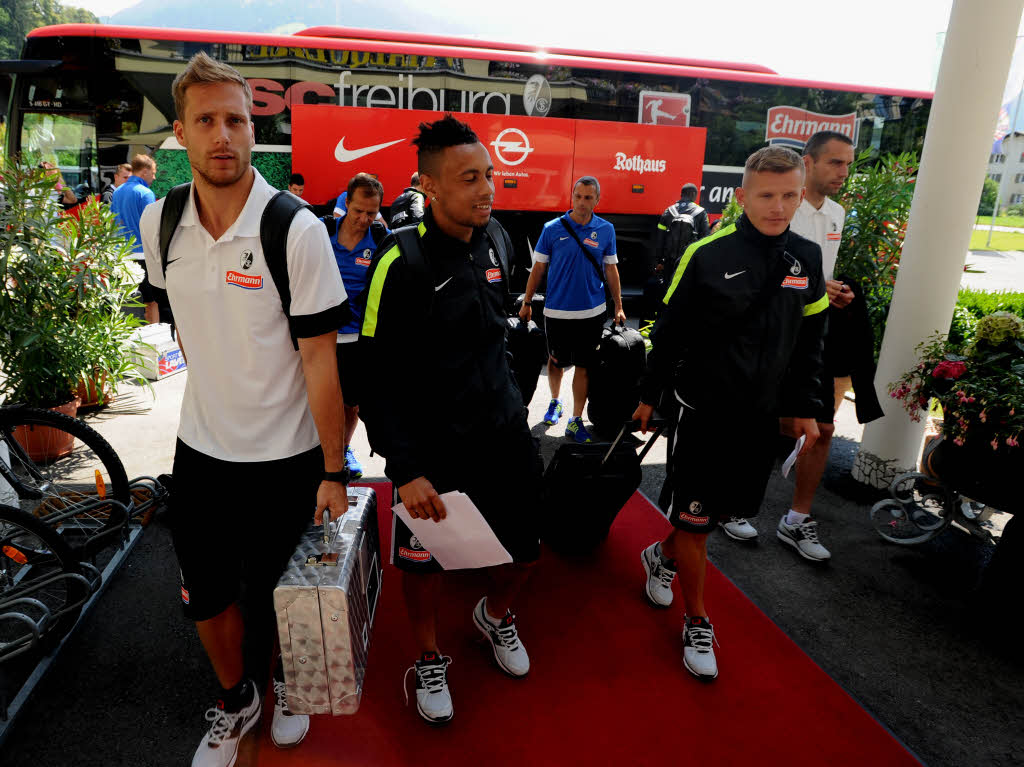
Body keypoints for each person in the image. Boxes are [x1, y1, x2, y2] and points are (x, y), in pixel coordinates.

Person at [139, 52, 349, 766]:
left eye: (237, 118)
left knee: (287, 595)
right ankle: (237, 699)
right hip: (201, 453)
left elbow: (322, 360)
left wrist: (334, 469)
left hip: (288, 459)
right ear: (182, 133)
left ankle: (289, 683)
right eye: (207, 120)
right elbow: (192, 333)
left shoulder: (296, 229)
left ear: (253, 128)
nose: (223, 134)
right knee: (206, 595)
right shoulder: (158, 223)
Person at [359, 115, 541, 726]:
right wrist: (404, 467)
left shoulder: (500, 241)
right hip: (431, 451)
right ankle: (430, 656)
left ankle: (493, 617)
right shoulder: (400, 260)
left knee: (524, 553)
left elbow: (502, 338)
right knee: (425, 563)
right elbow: (375, 374)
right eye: (470, 178)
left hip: (504, 436)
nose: (487, 188)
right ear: (428, 185)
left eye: (489, 174)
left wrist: (518, 407)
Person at [633, 145, 828, 681]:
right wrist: (648, 396)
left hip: (760, 419)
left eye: (790, 194)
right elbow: (668, 332)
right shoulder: (706, 255)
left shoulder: (806, 258)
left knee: (715, 516)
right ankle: (697, 619)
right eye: (766, 195)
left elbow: (811, 339)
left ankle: (661, 557)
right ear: (742, 196)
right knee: (696, 518)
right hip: (705, 413)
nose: (778, 206)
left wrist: (803, 406)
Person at [719, 130, 855, 558]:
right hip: (763, 338)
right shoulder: (772, 207)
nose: (843, 172)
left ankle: (796, 519)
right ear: (809, 163)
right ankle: (729, 506)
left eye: (848, 163)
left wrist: (833, 291)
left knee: (823, 427)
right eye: (836, 162)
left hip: (810, 332)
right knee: (747, 423)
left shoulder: (836, 214)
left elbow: (816, 275)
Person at [519, 176, 625, 442]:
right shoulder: (552, 229)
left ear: (597, 200)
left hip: (592, 312)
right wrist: (527, 302)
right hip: (557, 312)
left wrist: (619, 307)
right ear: (572, 196)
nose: (581, 202)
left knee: (584, 366)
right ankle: (555, 401)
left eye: (588, 197)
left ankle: (575, 420)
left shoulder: (606, 230)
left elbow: (611, 269)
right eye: (578, 196)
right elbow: (538, 268)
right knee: (555, 362)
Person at [326, 171, 389, 481]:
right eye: (358, 211)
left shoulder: (380, 240)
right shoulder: (321, 231)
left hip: (357, 339)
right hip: (319, 338)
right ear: (346, 203)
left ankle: (344, 448)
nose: (364, 218)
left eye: (372, 212)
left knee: (351, 404)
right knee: (317, 401)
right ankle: (318, 454)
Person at [644, 182, 710, 323]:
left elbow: (659, 239)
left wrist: (658, 262)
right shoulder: (700, 212)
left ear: (681, 194)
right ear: (694, 195)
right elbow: (705, 240)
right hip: (688, 263)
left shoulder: (669, 211)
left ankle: (662, 321)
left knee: (667, 292)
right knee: (685, 293)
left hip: (669, 262)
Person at [111, 154, 159, 323]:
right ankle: (154, 340)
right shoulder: (146, 193)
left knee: (125, 300)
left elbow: (112, 223)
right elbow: (151, 227)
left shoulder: (117, 192)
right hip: (143, 255)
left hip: (122, 255)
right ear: (144, 172)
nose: (154, 177)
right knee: (152, 302)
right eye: (153, 172)